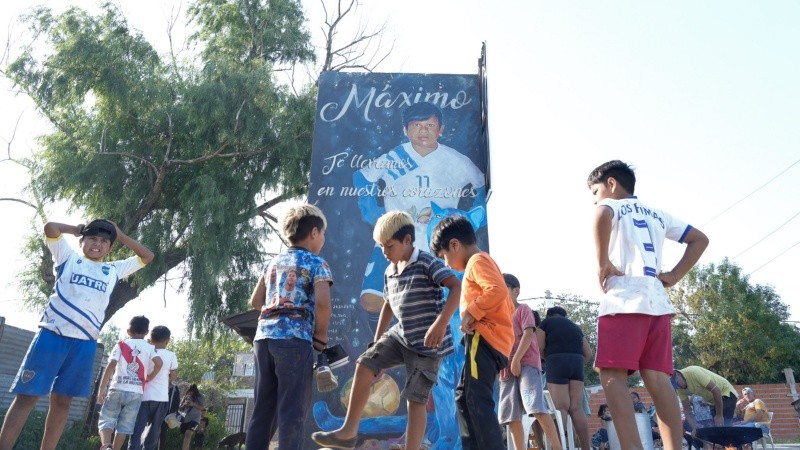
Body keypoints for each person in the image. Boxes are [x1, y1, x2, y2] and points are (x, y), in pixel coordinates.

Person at [312, 211, 461, 450]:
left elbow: (455, 286)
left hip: (427, 343)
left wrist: (441, 323)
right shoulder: (389, 270)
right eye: (381, 246)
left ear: (408, 241)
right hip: (401, 335)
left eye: (389, 245)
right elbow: (388, 305)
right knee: (365, 364)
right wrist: (377, 340)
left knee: (416, 398)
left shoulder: (426, 262)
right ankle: (348, 433)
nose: (384, 252)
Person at [0, 219, 154, 450]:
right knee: (27, 397)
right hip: (52, 336)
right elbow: (51, 227)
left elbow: (147, 256)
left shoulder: (113, 269)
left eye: (104, 241)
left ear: (110, 248)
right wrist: (75, 229)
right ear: (82, 241)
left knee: (62, 401)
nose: (97, 244)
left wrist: (120, 235)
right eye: (92, 238)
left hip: (85, 344)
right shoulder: (68, 257)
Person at [588, 160, 709, 450]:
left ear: (612, 184)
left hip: (625, 298)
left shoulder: (612, 206)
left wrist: (602, 261)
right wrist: (675, 275)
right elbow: (700, 239)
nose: (595, 198)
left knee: (612, 376)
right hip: (656, 299)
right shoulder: (657, 213)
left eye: (595, 191)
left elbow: (601, 213)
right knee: (657, 378)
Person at [354, 101, 486, 313]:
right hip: (396, 238)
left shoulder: (456, 161)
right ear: (406, 130)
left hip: (439, 244)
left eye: (430, 125)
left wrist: (474, 217)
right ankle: (391, 341)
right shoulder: (395, 157)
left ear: (440, 129)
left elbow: (482, 184)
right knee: (372, 299)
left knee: (435, 304)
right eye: (416, 125)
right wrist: (372, 211)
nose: (423, 131)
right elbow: (362, 178)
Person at [245, 204, 333, 450]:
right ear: (314, 233)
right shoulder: (317, 263)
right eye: (323, 234)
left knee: (262, 410)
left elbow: (255, 302)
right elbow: (323, 304)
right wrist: (320, 335)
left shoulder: (272, 262)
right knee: (292, 412)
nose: (323, 239)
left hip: (263, 339)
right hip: (295, 340)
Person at [429, 215, 514, 450]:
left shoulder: (477, 261)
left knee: (476, 399)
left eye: (444, 256)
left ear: (454, 245)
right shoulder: (480, 262)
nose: (446, 264)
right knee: (462, 397)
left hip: (483, 340)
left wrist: (471, 312)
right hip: (483, 341)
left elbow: (497, 291)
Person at [498, 273, 563, 450]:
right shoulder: (499, 315)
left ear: (515, 290)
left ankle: (557, 447)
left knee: (535, 407)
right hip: (505, 368)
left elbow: (528, 334)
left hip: (526, 363)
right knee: (511, 416)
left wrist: (517, 359)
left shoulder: (523, 310)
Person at [97, 316, 163, 450]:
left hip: (117, 388)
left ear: (129, 331)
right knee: (125, 425)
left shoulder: (121, 344)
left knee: (107, 419)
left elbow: (111, 365)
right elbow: (159, 363)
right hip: (136, 392)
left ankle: (106, 447)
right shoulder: (149, 348)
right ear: (146, 332)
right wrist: (149, 377)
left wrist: (102, 389)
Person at [535, 306, 592, 449]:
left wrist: (549, 359)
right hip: (577, 362)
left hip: (556, 360)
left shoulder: (545, 323)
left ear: (548, 315)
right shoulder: (575, 327)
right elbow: (589, 353)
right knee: (577, 408)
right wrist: (577, 363)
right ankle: (586, 447)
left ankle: (560, 446)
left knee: (561, 408)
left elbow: (539, 347)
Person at [129, 326, 178, 450]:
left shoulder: (146, 352)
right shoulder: (171, 355)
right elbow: (173, 377)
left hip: (142, 396)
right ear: (167, 341)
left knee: (137, 428)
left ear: (150, 339)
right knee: (154, 431)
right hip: (161, 398)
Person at [673, 366, 738, 428]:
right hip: (713, 401)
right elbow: (687, 411)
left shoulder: (693, 372)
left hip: (726, 392)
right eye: (676, 387)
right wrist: (695, 429)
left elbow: (716, 391)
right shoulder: (679, 389)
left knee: (725, 424)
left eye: (678, 384)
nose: (679, 387)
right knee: (717, 427)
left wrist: (719, 415)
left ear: (678, 375)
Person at [178, 384, 205, 450]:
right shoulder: (186, 396)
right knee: (186, 436)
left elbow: (202, 407)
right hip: (185, 419)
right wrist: (185, 404)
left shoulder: (200, 397)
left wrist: (193, 404)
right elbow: (180, 408)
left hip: (195, 419)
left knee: (188, 434)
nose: (191, 392)